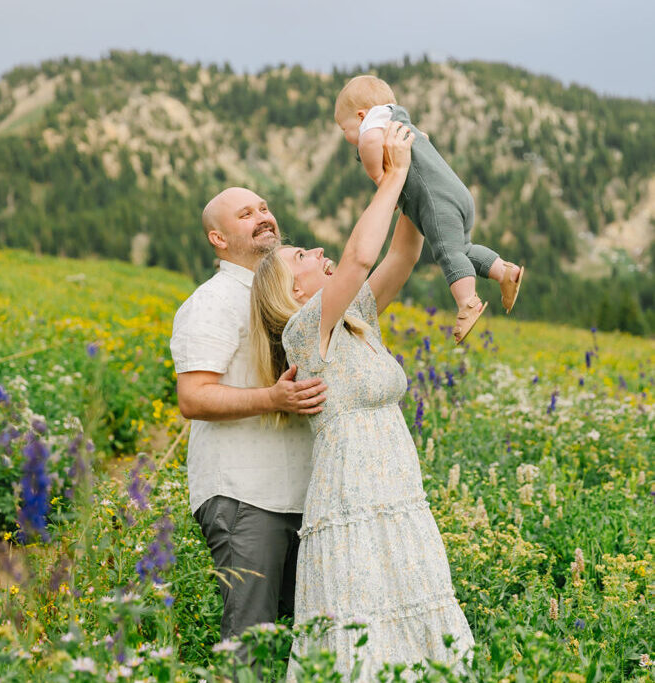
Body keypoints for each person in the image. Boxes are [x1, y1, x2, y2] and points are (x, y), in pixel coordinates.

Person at [250, 122, 475, 681]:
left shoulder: (357, 318)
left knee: (414, 621)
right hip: (353, 498)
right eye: (302, 254)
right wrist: (392, 177)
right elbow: (356, 258)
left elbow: (404, 248)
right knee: (364, 632)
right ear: (294, 291)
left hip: (397, 492)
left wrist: (405, 167)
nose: (317, 250)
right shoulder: (305, 331)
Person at [169, 187, 329, 657]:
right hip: (245, 494)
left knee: (311, 644)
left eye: (263, 208)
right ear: (218, 238)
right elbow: (193, 397)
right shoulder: (214, 301)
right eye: (245, 214)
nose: (262, 217)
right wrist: (274, 396)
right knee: (250, 645)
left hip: (302, 495)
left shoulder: (292, 293)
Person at [335, 74, 524, 344]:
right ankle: (506, 272)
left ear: (362, 115)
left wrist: (380, 179)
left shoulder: (372, 127)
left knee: (447, 254)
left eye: (345, 129)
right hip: (458, 193)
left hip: (437, 203)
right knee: (463, 249)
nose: (346, 137)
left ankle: (467, 303)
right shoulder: (404, 123)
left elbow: (367, 142)